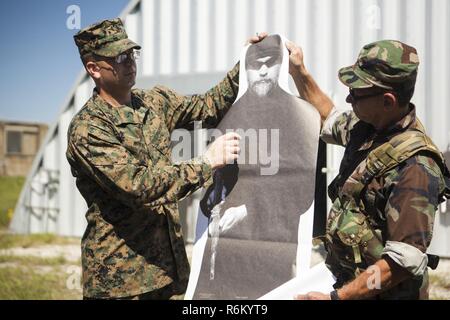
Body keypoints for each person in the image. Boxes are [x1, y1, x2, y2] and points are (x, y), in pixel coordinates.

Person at [66, 18, 265, 300]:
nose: (129, 63)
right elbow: (137, 186)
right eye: (119, 58)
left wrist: (245, 63)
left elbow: (208, 106)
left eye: (131, 54)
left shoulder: (154, 102)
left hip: (167, 271)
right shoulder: (89, 128)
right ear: (94, 69)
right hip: (121, 281)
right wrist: (206, 163)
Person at [285, 39, 450, 300]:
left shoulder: (416, 167)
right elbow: (328, 116)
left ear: (387, 100)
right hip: (351, 285)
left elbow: (399, 265)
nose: (349, 97)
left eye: (357, 92)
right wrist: (299, 72)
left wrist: (338, 298)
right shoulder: (369, 126)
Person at [192, 35, 320, 299]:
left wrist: (249, 209)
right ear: (245, 70)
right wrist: (211, 202)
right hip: (223, 256)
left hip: (271, 254)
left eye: (270, 63)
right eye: (254, 64)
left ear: (281, 66)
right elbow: (216, 180)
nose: (262, 70)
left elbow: (302, 189)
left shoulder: (299, 114)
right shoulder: (228, 114)